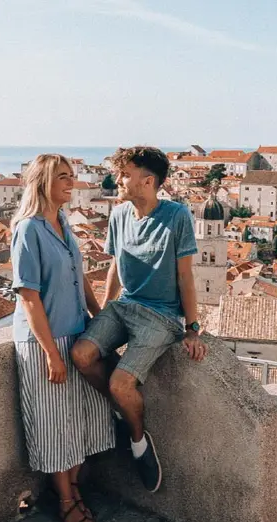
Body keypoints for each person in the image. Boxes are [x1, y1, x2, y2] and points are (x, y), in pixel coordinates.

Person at [71, 146, 208, 494]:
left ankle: (138, 441)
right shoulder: (119, 215)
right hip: (125, 306)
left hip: (161, 316)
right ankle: (122, 410)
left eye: (125, 174)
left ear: (147, 181)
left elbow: (185, 276)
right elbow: (116, 267)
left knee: (121, 384)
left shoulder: (176, 216)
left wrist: (192, 329)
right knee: (81, 356)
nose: (118, 180)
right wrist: (104, 311)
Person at [10, 153, 115, 522]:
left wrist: (99, 316)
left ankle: (72, 488)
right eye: (63, 178)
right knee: (55, 425)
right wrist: (51, 354)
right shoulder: (28, 230)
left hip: (77, 334)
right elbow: (28, 296)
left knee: (82, 419)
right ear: (43, 183)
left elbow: (78, 275)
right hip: (45, 342)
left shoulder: (63, 223)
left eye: (72, 176)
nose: (72, 183)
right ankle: (67, 501)